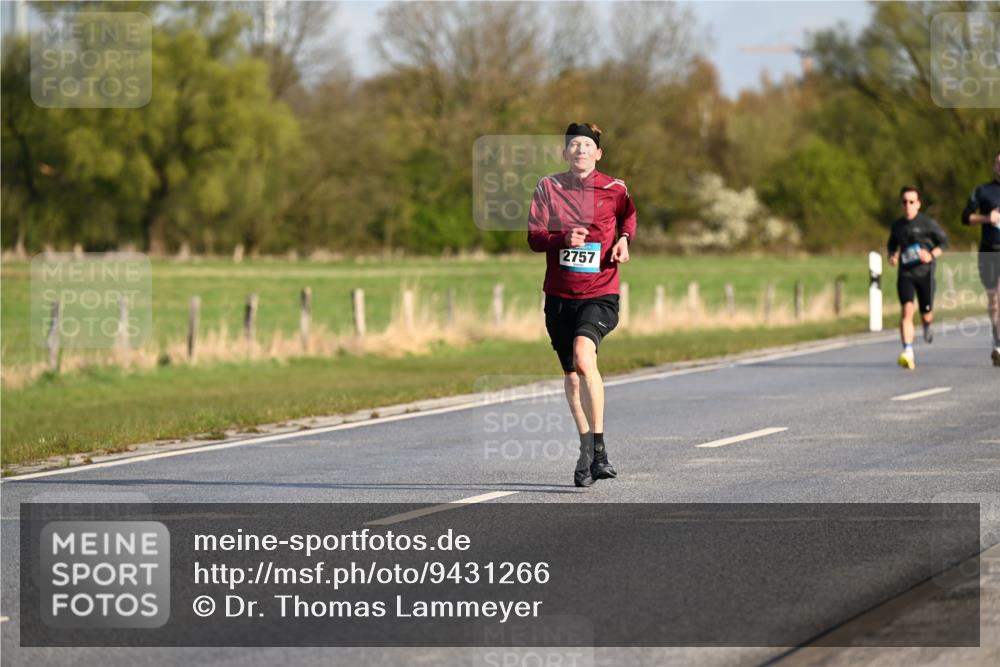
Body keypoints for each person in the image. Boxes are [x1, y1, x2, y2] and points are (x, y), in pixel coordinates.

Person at [527, 122, 636, 487]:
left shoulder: (615, 188)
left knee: (584, 357)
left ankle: (600, 450)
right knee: (572, 376)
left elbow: (628, 216)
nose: (580, 150)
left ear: (598, 153)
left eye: (587, 145)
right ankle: (586, 447)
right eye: (574, 145)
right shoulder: (548, 187)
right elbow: (534, 237)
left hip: (600, 291)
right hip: (560, 296)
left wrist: (624, 239)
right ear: (565, 152)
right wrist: (562, 239)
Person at [887, 186, 948, 369]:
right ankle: (908, 351)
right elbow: (892, 245)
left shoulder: (928, 223)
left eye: (911, 202)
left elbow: (944, 243)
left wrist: (930, 255)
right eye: (904, 202)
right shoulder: (897, 226)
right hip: (906, 274)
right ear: (901, 204)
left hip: (925, 274)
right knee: (907, 310)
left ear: (918, 204)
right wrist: (892, 256)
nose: (908, 205)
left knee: (926, 313)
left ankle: (927, 325)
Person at [960, 150, 1000, 367]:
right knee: (993, 300)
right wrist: (986, 218)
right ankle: (996, 337)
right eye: (998, 163)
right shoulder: (983, 191)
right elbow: (965, 217)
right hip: (989, 250)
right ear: (994, 166)